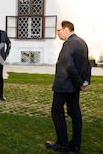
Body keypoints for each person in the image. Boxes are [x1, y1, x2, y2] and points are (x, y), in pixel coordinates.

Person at [46, 20, 91, 153]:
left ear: (66, 29)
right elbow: (88, 65)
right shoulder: (82, 42)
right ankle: (76, 145)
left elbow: (69, 66)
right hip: (74, 87)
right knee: (75, 113)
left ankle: (63, 144)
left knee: (57, 112)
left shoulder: (69, 43)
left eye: (58, 30)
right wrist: (84, 82)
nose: (57, 33)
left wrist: (79, 83)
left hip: (64, 86)